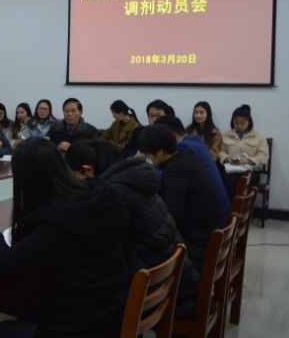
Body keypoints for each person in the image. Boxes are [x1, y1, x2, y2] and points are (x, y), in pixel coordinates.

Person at [0, 138, 131, 338]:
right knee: (27, 311)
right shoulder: (100, 198)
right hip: (112, 317)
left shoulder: (57, 228)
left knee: (2, 333)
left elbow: (5, 263)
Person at [64, 140, 200, 319]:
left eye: (73, 175)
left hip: (160, 292)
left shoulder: (114, 194)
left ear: (88, 170)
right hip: (176, 277)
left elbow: (103, 251)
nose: (72, 181)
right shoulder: (132, 178)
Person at [138, 125, 217, 272]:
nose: (148, 158)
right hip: (206, 230)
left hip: (195, 241)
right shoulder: (185, 157)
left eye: (148, 154)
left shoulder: (174, 170)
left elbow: (175, 216)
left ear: (160, 151)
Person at [155, 116, 232, 228]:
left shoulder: (183, 148)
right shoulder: (195, 140)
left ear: (173, 136)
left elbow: (170, 175)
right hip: (221, 211)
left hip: (213, 220)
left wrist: (150, 166)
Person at [219, 105, 268, 199]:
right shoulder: (226, 135)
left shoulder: (258, 136)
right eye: (236, 123)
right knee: (229, 182)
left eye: (242, 123)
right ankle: (230, 208)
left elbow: (263, 155)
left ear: (249, 122)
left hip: (251, 170)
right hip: (231, 170)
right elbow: (221, 151)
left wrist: (248, 161)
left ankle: (241, 208)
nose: (239, 126)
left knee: (243, 181)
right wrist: (227, 158)